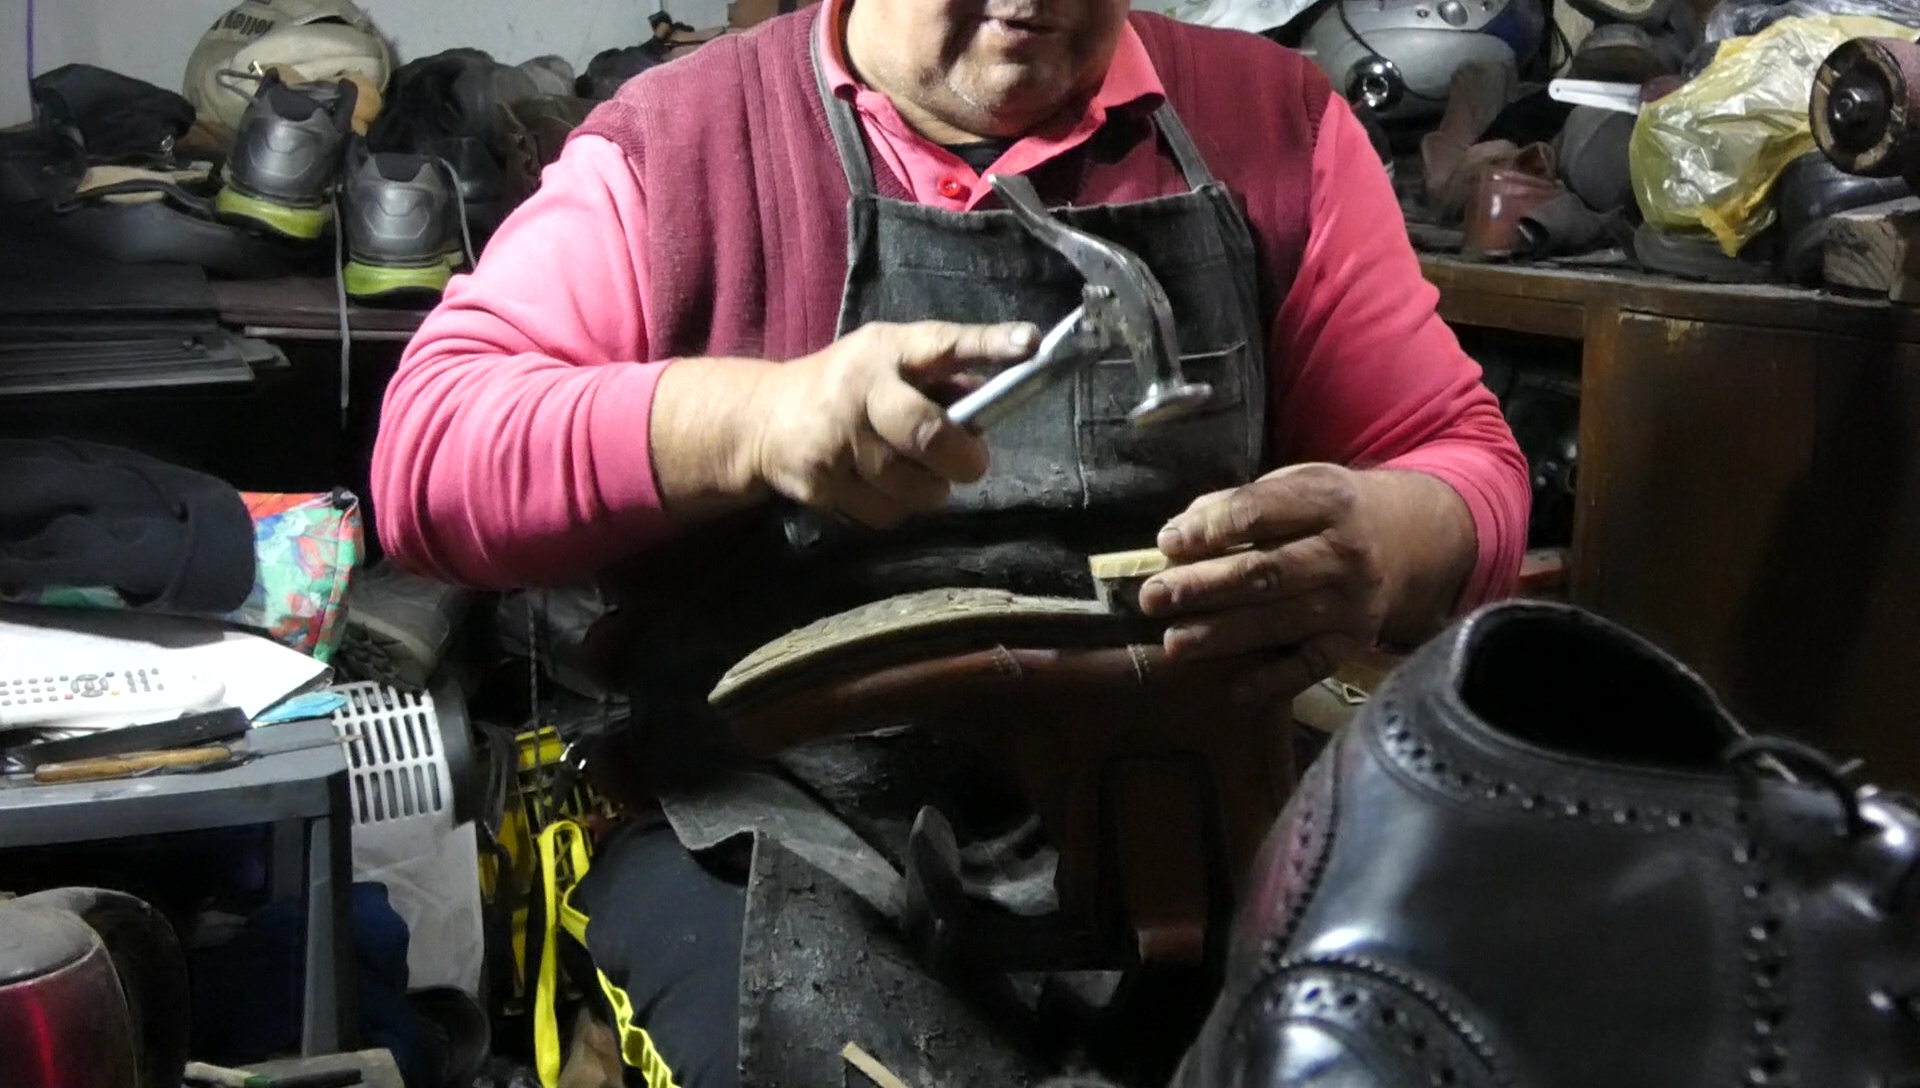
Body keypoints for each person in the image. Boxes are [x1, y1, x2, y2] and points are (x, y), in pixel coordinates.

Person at [371, 0, 1531, 1082]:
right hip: (782, 840)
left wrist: (1385, 536)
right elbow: (427, 459)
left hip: (1186, 832)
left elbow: (1460, 458)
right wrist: (747, 421)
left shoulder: (1273, 125)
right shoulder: (680, 150)